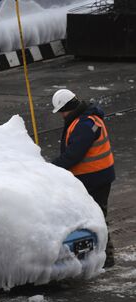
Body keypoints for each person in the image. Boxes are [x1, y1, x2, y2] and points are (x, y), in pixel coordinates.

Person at [51, 89, 116, 267]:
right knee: (96, 217)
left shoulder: (84, 124)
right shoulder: (85, 118)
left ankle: (106, 257)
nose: (61, 115)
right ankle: (99, 254)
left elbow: (74, 155)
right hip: (98, 176)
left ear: (68, 108)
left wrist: (50, 168)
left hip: (95, 179)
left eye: (61, 111)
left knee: (97, 218)